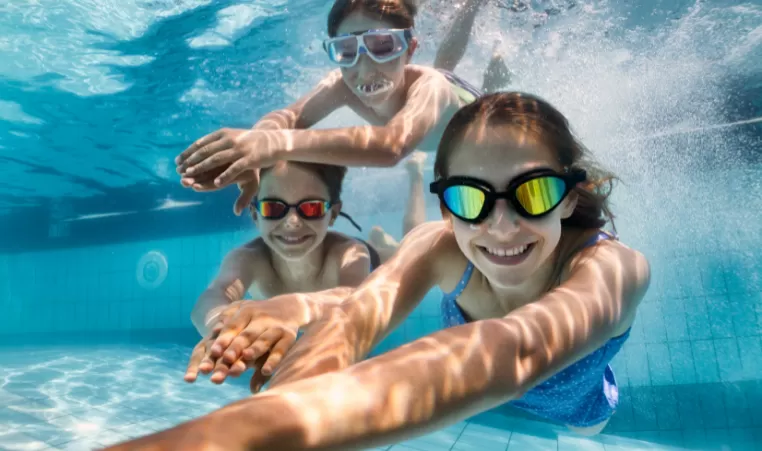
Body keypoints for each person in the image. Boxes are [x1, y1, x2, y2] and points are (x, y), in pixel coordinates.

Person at [106, 92, 650, 451]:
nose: (502, 226)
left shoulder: (614, 268)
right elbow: (357, 317)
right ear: (446, 206)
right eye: (469, 197)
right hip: (486, 401)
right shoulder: (438, 245)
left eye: (532, 192)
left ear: (568, 195)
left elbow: (514, 350)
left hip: (579, 418)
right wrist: (282, 413)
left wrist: (238, 436)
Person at [174, 0, 511, 217]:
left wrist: (274, 145)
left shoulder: (430, 88)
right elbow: (290, 117)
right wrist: (257, 145)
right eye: (347, 51)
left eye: (383, 46)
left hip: (473, 117)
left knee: (461, 80)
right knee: (444, 63)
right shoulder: (342, 85)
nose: (364, 69)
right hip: (435, 128)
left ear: (408, 50)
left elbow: (391, 145)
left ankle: (479, 20)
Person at [184, 152, 429, 386]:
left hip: (371, 258)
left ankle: (415, 173)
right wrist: (222, 328)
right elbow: (213, 297)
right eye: (274, 208)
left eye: (311, 208)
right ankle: (380, 236)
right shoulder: (249, 259)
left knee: (414, 248)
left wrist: (288, 308)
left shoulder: (349, 254)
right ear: (255, 214)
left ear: (332, 214)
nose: (292, 222)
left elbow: (355, 299)